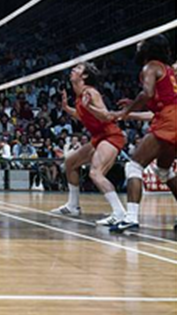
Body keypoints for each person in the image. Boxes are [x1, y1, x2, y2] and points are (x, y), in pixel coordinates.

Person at [106, 35, 177, 233]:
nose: (138, 44)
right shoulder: (168, 70)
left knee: (133, 166)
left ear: (148, 48)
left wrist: (125, 112)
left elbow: (146, 94)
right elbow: (159, 105)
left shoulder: (151, 67)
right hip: (172, 119)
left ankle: (131, 218)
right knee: (164, 171)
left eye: (142, 42)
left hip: (168, 121)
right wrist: (132, 110)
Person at [51, 63, 127, 225]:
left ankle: (119, 212)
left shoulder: (91, 93)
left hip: (110, 136)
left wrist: (89, 107)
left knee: (96, 173)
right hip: (98, 137)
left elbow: (106, 116)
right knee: (70, 162)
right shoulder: (79, 96)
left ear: (84, 76)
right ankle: (73, 206)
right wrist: (67, 108)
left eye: (78, 69)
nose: (73, 70)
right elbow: (82, 116)